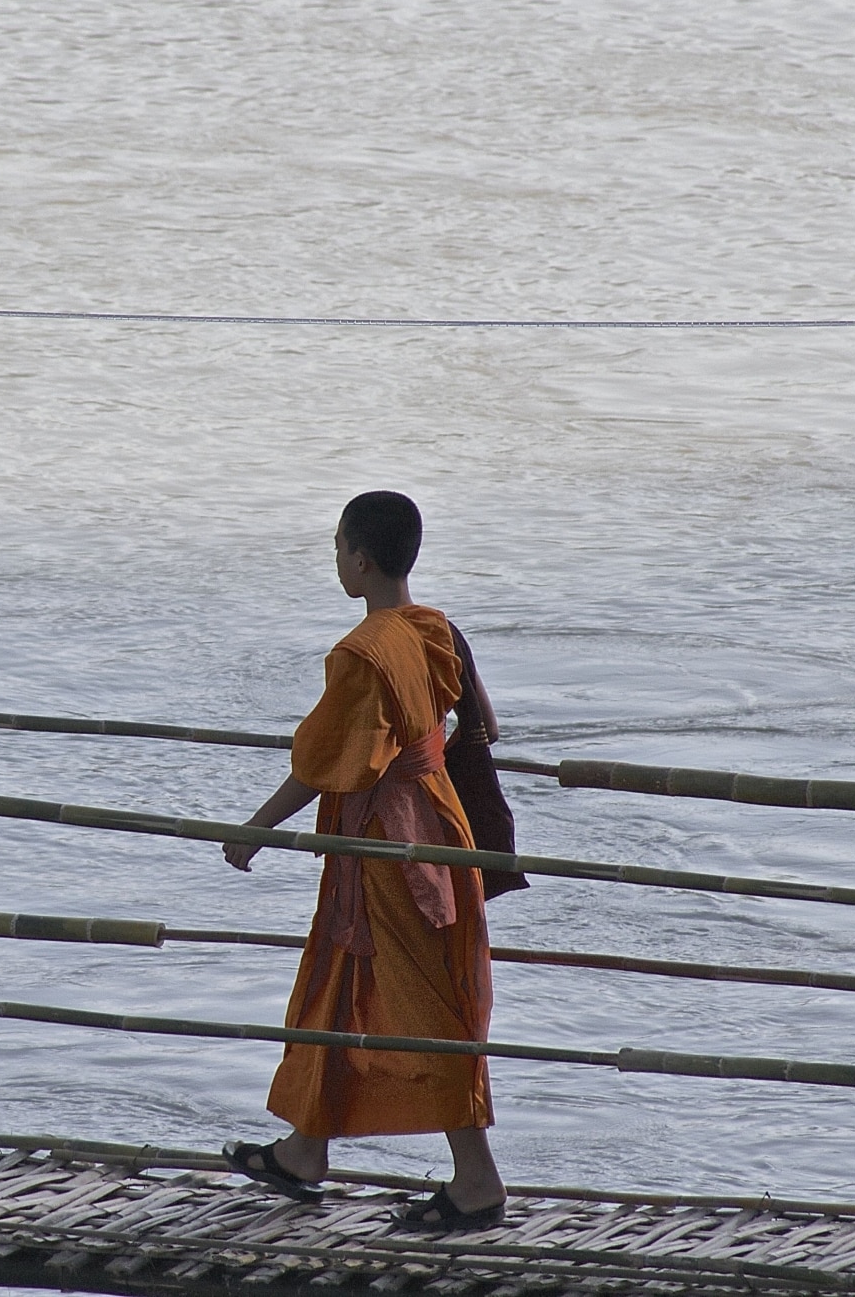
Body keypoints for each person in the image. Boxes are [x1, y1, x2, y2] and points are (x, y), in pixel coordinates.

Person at [221, 490, 506, 1231]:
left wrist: (255, 828)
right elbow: (484, 724)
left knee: (422, 1006)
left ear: (361, 558)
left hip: (392, 850)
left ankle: (477, 1180)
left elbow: (324, 763)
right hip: (440, 826)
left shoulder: (363, 653)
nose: (335, 558)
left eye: (337, 546)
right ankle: (304, 1151)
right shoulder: (431, 629)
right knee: (342, 978)